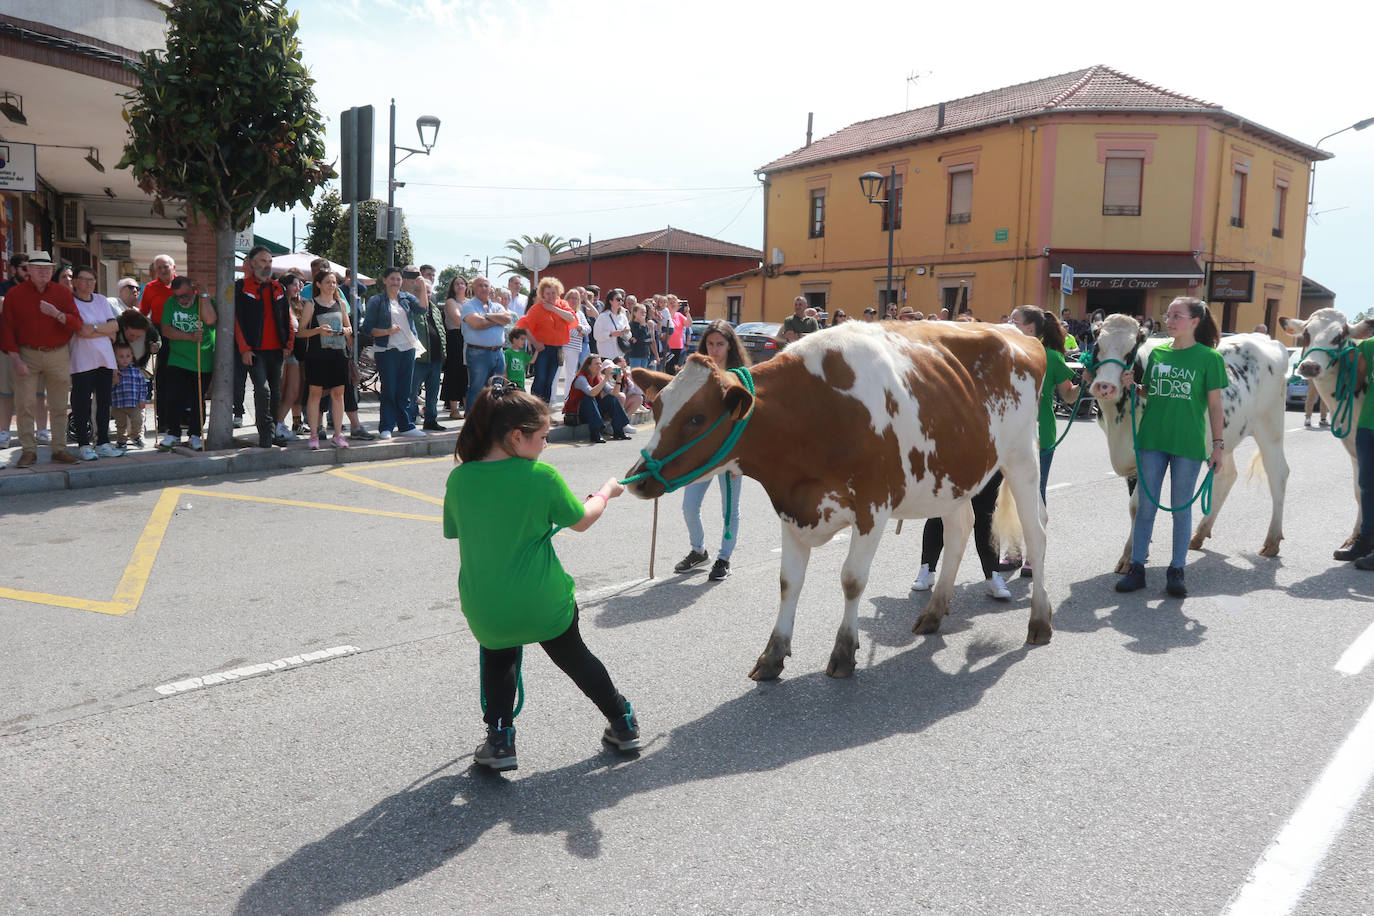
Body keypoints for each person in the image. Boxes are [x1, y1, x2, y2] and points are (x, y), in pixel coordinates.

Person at [444, 377, 642, 770]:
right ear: (517, 437)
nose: (546, 444)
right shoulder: (541, 477)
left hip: (488, 607)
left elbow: (457, 531)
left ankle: (500, 741)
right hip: (543, 602)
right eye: (543, 437)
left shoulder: (459, 478)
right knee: (575, 657)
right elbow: (582, 521)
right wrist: (605, 492)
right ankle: (622, 722)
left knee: (499, 659)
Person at [1113, 297, 1227, 597]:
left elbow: (1216, 406)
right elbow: (1150, 391)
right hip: (1152, 440)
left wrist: (1218, 446)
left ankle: (1177, 570)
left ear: (1194, 321)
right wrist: (1132, 386)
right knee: (1146, 507)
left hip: (1187, 444)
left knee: (1180, 509)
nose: (1170, 320)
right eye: (1169, 314)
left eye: (1177, 315)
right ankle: (1137, 568)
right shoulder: (1159, 352)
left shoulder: (1209, 358)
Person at [673, 320, 750, 581]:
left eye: (720, 344)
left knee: (730, 509)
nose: (714, 349)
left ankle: (724, 558)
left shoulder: (740, 375)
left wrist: (740, 459)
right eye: (710, 343)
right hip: (700, 454)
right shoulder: (696, 372)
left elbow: (746, 419)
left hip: (729, 455)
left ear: (730, 346)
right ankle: (698, 550)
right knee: (689, 506)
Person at [0, 251, 82, 467]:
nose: (44, 272)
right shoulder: (15, 295)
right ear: (29, 270)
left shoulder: (63, 294)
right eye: (38, 268)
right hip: (27, 353)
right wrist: (15, 358)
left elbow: (77, 324)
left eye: (47, 268)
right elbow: (7, 328)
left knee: (58, 405)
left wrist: (57, 314)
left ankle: (59, 450)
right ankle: (28, 451)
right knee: (24, 403)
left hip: (58, 353)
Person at [910, 473, 1012, 600]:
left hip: (987, 460)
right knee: (939, 512)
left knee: (985, 513)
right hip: (950, 460)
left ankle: (992, 576)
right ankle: (927, 570)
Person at [233, 246, 293, 448]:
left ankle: (274, 431)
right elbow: (237, 321)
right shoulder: (241, 286)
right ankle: (265, 433)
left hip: (277, 350)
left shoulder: (278, 288)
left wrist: (288, 345)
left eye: (269, 261)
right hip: (255, 350)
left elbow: (287, 320)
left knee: (276, 392)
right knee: (263, 390)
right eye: (262, 261)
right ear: (251, 263)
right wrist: (244, 349)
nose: (266, 265)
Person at [361, 266, 426, 440]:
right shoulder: (377, 301)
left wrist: (423, 287)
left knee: (405, 390)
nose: (395, 282)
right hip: (386, 350)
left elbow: (422, 309)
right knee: (389, 389)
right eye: (392, 279)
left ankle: (406, 426)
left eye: (398, 279)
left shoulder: (407, 298)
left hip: (408, 348)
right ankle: (386, 426)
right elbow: (367, 328)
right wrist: (387, 331)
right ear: (384, 280)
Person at [68, 266, 124, 460]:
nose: (89, 283)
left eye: (92, 280)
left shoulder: (100, 300)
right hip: (81, 359)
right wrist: (103, 330)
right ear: (74, 282)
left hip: (105, 359)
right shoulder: (70, 300)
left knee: (103, 402)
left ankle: (103, 442)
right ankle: (83, 444)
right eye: (84, 279)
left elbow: (115, 326)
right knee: (81, 403)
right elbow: (79, 331)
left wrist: (92, 328)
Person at [156, 277, 216, 451]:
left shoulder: (205, 300)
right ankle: (173, 432)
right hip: (178, 358)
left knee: (197, 398)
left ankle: (196, 434)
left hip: (201, 359)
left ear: (193, 290)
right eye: (177, 296)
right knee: (173, 396)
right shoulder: (171, 303)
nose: (181, 300)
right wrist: (189, 337)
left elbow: (210, 320)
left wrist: (204, 294)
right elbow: (166, 329)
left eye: (184, 296)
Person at [298, 269, 354, 449]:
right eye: (328, 282)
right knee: (315, 394)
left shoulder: (341, 303)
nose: (332, 285)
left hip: (338, 355)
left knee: (338, 395)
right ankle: (314, 435)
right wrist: (318, 330)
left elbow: (349, 327)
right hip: (317, 356)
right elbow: (300, 332)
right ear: (318, 284)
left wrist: (346, 331)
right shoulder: (311, 304)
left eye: (334, 282)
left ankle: (338, 435)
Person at [516, 276, 576, 404]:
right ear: (542, 294)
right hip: (542, 349)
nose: (551, 296)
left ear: (558, 292)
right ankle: (535, 406)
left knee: (550, 380)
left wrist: (553, 308)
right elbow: (523, 326)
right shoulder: (536, 308)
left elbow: (571, 318)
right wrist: (535, 342)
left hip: (557, 348)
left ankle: (545, 408)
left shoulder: (563, 305)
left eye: (553, 293)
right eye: (547, 293)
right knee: (541, 378)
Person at [460, 276, 512, 413]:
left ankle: (491, 421)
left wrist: (486, 316)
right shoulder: (468, 306)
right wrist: (497, 319)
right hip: (478, 354)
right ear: (473, 288)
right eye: (480, 285)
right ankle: (472, 422)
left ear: (490, 288)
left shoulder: (498, 306)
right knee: (477, 389)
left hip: (498, 353)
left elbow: (507, 318)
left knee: (497, 389)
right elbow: (477, 324)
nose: (483, 288)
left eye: (486, 285)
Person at [410, 272, 448, 431]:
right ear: (415, 292)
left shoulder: (436, 309)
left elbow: (441, 331)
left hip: (436, 359)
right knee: (412, 392)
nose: (426, 294)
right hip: (419, 359)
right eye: (422, 290)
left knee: (432, 394)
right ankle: (410, 419)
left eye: (428, 291)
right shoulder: (412, 309)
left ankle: (431, 420)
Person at [563, 356, 630, 444]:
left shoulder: (599, 378)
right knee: (588, 399)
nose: (599, 366)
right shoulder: (581, 378)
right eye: (596, 364)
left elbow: (614, 393)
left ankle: (619, 431)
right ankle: (595, 433)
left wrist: (618, 380)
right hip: (578, 413)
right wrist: (606, 378)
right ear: (588, 366)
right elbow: (591, 393)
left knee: (612, 399)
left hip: (592, 411)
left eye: (600, 363)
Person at [439, 275, 469, 419]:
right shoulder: (450, 302)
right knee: (454, 373)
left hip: (469, 339)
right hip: (455, 339)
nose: (460, 286)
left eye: (462, 283)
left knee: (466, 374)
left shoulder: (469, 302)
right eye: (457, 283)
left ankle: (468, 409)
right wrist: (476, 322)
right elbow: (458, 320)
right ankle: (453, 409)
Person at [557, 288, 592, 403]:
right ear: (566, 299)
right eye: (571, 298)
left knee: (571, 374)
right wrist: (579, 333)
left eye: (576, 298)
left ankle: (568, 399)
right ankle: (552, 399)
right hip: (563, 346)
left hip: (575, 348)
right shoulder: (563, 311)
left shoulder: (580, 314)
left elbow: (588, 329)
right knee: (557, 373)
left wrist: (580, 328)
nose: (574, 300)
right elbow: (565, 329)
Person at [110, 342, 147, 449]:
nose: (125, 359)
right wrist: (113, 382)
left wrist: (142, 399)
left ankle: (135, 436)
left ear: (132, 357)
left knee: (138, 420)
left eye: (128, 356)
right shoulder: (114, 372)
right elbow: (109, 389)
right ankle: (121, 441)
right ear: (115, 358)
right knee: (121, 425)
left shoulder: (136, 372)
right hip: (118, 404)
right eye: (121, 356)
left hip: (134, 403)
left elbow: (143, 386)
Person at [593, 289, 631, 357]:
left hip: (620, 354)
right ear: (610, 301)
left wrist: (626, 332)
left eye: (622, 300)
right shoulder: (603, 316)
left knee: (618, 368)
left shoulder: (623, 317)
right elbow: (596, 335)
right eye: (618, 299)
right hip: (606, 353)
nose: (621, 302)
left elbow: (629, 335)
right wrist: (610, 334)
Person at [664, 298, 692, 373]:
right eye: (671, 303)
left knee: (675, 368)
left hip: (678, 346)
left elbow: (688, 324)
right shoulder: (665, 314)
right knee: (667, 368)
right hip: (668, 346)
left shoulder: (679, 315)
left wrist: (687, 313)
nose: (673, 305)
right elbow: (669, 321)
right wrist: (674, 310)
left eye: (675, 302)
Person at [626, 302, 655, 369]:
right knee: (636, 375)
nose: (644, 314)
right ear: (635, 313)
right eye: (641, 312)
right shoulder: (631, 325)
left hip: (645, 354)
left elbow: (650, 340)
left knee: (642, 376)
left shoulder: (646, 326)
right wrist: (642, 326)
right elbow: (637, 338)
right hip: (635, 354)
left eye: (645, 312)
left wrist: (640, 340)